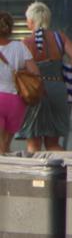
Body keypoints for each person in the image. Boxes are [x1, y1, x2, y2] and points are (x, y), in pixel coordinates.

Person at [19, 2, 72, 153]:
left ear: (32, 21)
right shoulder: (60, 37)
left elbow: (20, 68)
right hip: (58, 89)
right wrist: (64, 67)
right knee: (53, 144)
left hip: (35, 91)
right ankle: (60, 174)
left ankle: (36, 176)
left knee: (34, 143)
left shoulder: (26, 43)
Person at [0, 12, 38, 156]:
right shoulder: (20, 47)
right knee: (5, 148)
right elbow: (35, 72)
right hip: (16, 101)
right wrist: (19, 71)